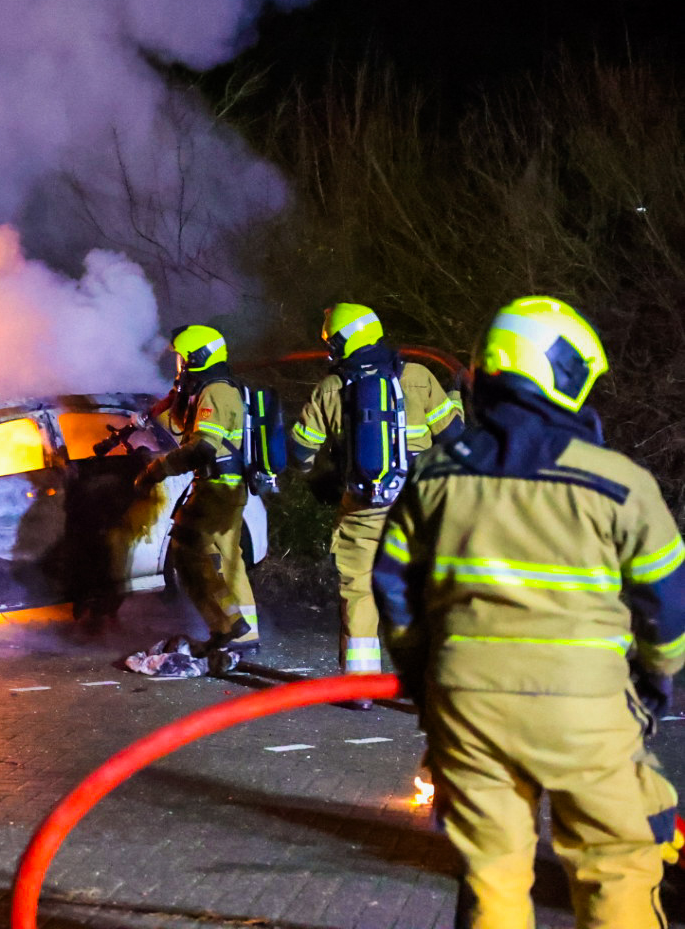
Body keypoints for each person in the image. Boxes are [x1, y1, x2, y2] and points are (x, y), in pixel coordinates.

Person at [372, 296, 683, 927]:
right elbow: (667, 607)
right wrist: (655, 680)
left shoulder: (434, 478)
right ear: (563, 377)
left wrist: (423, 679)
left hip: (468, 703)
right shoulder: (619, 482)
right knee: (616, 866)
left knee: (492, 877)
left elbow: (394, 593)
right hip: (586, 706)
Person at [289, 303, 463, 686]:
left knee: (359, 589)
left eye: (332, 342)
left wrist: (313, 477)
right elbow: (454, 438)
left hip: (363, 508)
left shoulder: (331, 388)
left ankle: (361, 683)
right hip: (420, 506)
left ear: (345, 340)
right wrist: (457, 400)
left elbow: (300, 451)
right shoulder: (418, 376)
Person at [138, 324, 257, 660]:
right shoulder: (207, 388)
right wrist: (173, 399)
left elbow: (202, 447)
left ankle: (230, 624)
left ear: (196, 357)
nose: (179, 364)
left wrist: (157, 469)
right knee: (226, 560)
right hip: (220, 485)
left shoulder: (217, 392)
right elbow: (179, 431)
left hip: (220, 486)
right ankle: (238, 631)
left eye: (182, 358)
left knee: (188, 549)